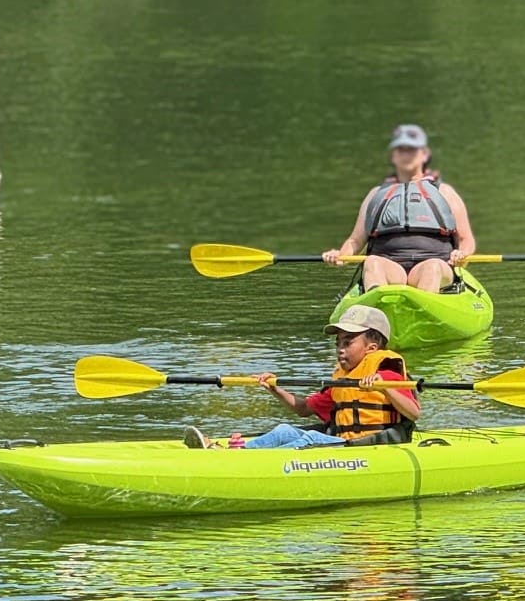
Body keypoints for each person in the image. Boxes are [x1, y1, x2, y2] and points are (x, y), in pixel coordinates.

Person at [186, 306, 419, 449]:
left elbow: (413, 412)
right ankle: (236, 451)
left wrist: (385, 388)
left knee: (308, 441)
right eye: (338, 342)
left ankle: (243, 460)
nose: (340, 349)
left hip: (374, 445)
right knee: (284, 431)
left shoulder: (387, 371)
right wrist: (275, 389)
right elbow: (304, 409)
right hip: (341, 440)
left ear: (371, 347)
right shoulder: (342, 379)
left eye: (348, 342)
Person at [322, 124, 476, 293]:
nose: (406, 155)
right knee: (372, 262)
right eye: (401, 149)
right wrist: (341, 256)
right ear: (393, 156)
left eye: (411, 149)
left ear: (424, 154)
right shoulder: (375, 194)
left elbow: (465, 239)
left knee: (431, 268)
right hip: (390, 267)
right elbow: (355, 240)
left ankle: (422, 310)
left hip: (436, 264)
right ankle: (378, 309)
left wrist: (462, 254)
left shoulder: (444, 192)